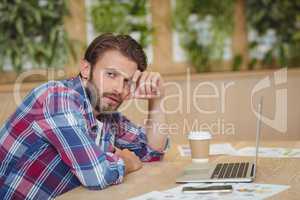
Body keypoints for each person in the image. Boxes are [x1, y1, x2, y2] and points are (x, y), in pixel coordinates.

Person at [0, 33, 169, 199]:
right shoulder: (57, 98)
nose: (119, 88)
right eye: (111, 74)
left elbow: (151, 152)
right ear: (86, 69)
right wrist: (126, 162)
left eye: (128, 81)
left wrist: (157, 99)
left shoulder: (106, 114)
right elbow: (96, 175)